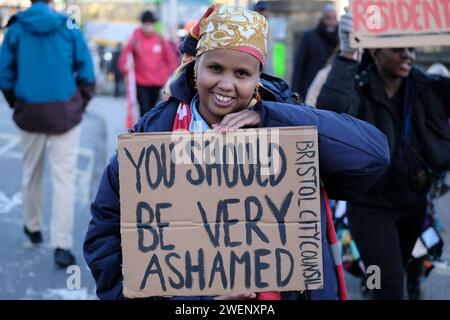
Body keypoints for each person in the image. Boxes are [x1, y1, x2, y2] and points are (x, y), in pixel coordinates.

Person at [84, 3, 389, 300]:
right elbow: (105, 236)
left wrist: (274, 116)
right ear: (195, 68)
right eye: (215, 68)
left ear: (258, 77)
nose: (226, 85)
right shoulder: (152, 139)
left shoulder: (286, 127)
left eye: (242, 74)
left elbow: (373, 155)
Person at [316, 11, 450, 299]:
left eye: (412, 49)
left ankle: (372, 286)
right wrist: (348, 52)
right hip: (370, 206)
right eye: (399, 48)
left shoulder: (427, 87)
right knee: (387, 284)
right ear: (376, 50)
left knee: (392, 271)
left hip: (413, 203)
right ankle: (376, 289)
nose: (408, 56)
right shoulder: (359, 86)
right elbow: (331, 110)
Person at [0, 0, 95, 267]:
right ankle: (62, 245)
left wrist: (15, 103)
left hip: (29, 110)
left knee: (31, 171)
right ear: (53, 1)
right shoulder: (68, 25)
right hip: (64, 111)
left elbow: (4, 74)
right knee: (64, 177)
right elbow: (86, 71)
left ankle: (32, 226)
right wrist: (79, 103)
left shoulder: (16, 27)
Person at [118, 10, 179, 117]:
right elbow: (124, 57)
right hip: (141, 82)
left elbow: (171, 60)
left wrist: (173, 79)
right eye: (146, 24)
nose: (148, 27)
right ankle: (143, 131)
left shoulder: (160, 39)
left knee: (152, 109)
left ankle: (148, 130)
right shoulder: (135, 39)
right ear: (142, 24)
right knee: (144, 108)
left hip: (157, 82)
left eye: (150, 24)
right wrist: (125, 67)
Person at [291, 4, 339, 99]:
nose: (331, 22)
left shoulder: (341, 39)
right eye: (328, 18)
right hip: (310, 91)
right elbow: (299, 66)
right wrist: (296, 95)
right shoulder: (309, 37)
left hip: (332, 94)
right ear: (323, 18)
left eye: (334, 18)